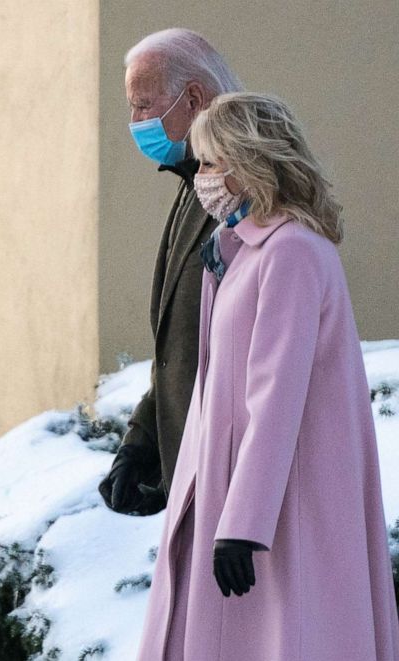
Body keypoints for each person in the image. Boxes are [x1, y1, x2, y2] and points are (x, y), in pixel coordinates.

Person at [136, 91, 399, 660]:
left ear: (248, 162)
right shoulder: (243, 251)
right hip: (240, 498)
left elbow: (275, 397)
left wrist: (244, 523)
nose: (200, 177)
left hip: (282, 511)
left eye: (209, 163)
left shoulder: (293, 254)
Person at [99, 29, 243, 515]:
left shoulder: (241, 195)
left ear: (195, 98)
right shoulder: (196, 182)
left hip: (234, 494)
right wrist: (140, 444)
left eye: (143, 105)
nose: (135, 122)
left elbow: (248, 360)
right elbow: (182, 351)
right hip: (202, 488)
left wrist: (244, 517)